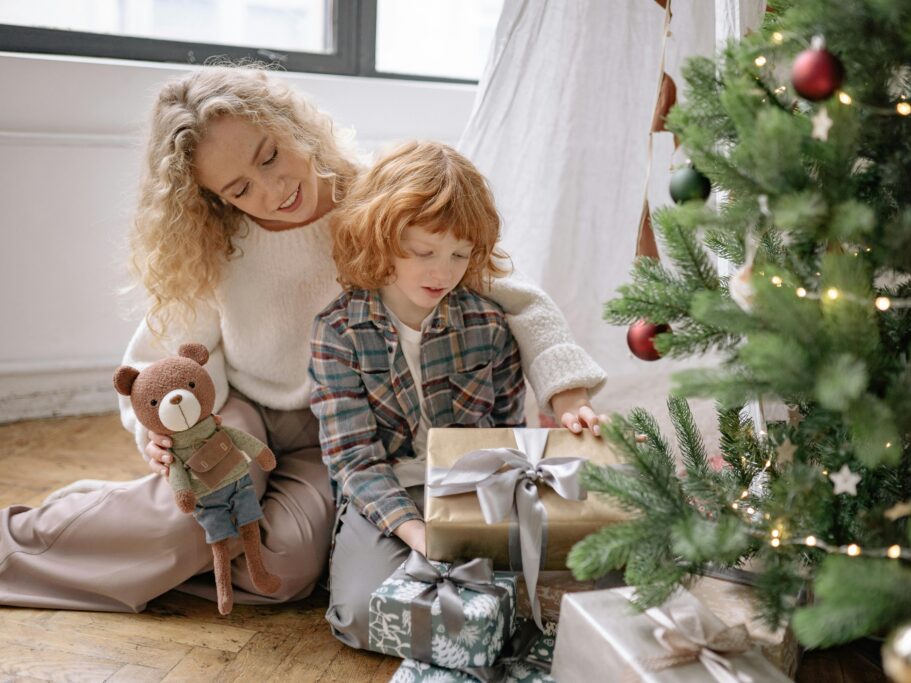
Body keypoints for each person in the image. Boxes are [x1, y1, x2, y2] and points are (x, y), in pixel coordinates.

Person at [0, 65, 606, 613]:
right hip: (242, 412)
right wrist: (157, 433)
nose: (270, 191)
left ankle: (169, 551)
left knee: (286, 571)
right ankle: (21, 543)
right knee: (195, 519)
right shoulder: (217, 245)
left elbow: (515, 292)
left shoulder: (376, 197)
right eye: (238, 188)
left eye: (269, 156)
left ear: (292, 125)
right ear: (214, 200)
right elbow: (162, 360)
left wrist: (567, 393)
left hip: (337, 429)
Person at [310, 141, 533, 647]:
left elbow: (506, 432)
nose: (444, 272)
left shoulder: (488, 324)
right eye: (425, 252)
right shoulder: (339, 331)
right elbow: (353, 461)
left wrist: (483, 520)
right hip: (384, 494)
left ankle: (483, 628)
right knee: (361, 617)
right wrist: (417, 535)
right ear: (381, 239)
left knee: (538, 583)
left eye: (460, 254)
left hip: (470, 488)